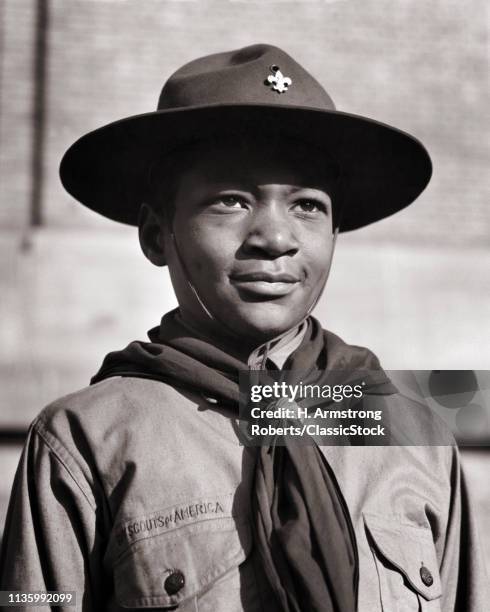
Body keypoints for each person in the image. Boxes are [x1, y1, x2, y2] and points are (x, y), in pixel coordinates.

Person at [0, 44, 487, 612]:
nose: (276, 238)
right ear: (159, 235)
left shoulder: (412, 431)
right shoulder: (84, 440)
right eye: (231, 201)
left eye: (307, 206)